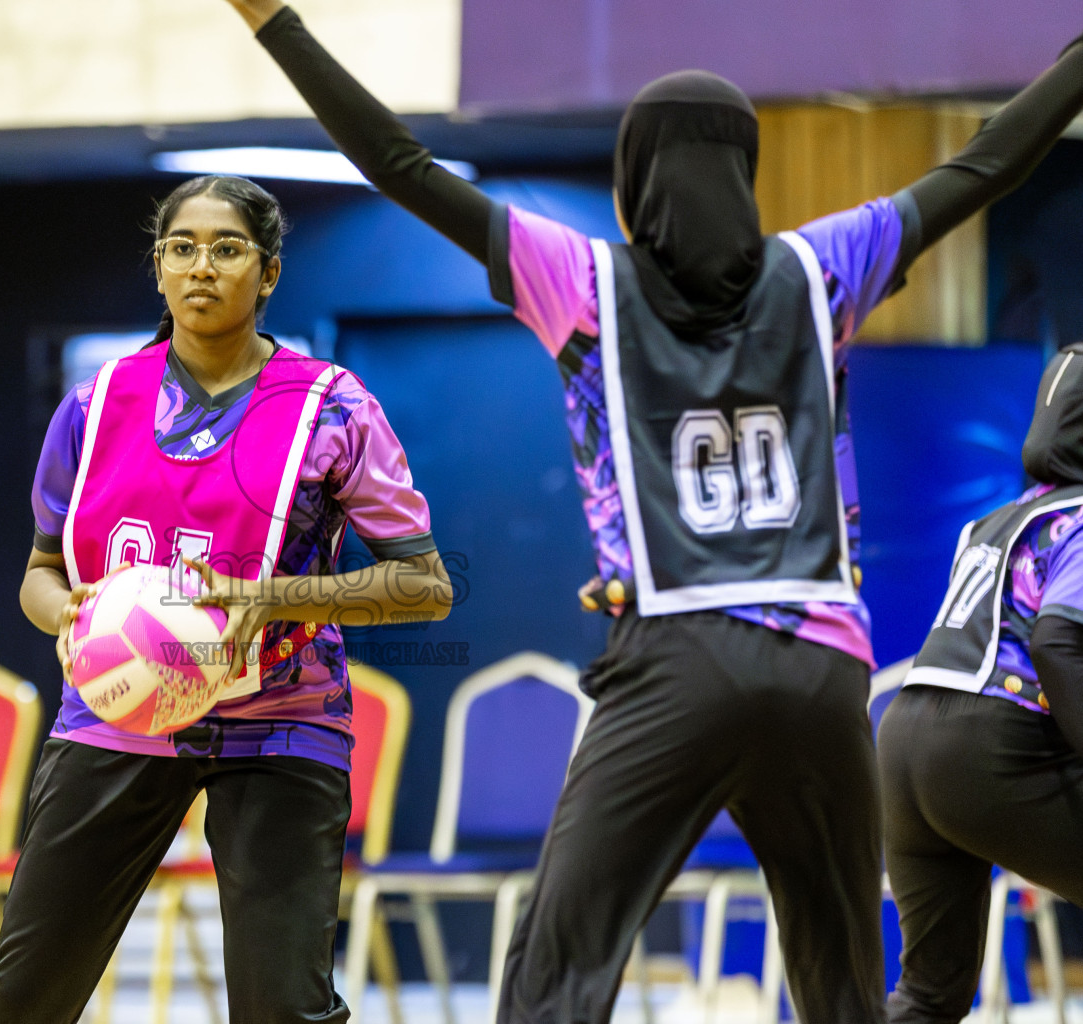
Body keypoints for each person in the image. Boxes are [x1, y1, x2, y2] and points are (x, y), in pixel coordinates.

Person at [213, 3, 1083, 1021]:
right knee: (840, 982)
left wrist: (275, 22)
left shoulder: (582, 279)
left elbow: (400, 164)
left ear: (632, 175)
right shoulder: (820, 268)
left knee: (560, 963)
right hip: (819, 671)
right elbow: (984, 163)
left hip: (675, 659)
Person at [0, 173, 453, 1024]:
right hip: (118, 710)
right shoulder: (92, 406)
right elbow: (41, 573)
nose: (201, 267)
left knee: (282, 1009)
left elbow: (425, 585)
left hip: (282, 719)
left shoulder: (331, 408)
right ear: (157, 268)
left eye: (227, 249)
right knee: (22, 998)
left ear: (267, 274)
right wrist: (65, 617)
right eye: (181, 249)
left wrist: (277, 597)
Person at [881, 342, 1083, 1024]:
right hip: (988, 749)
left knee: (928, 996)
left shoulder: (998, 519)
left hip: (905, 742)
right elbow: (1056, 641)